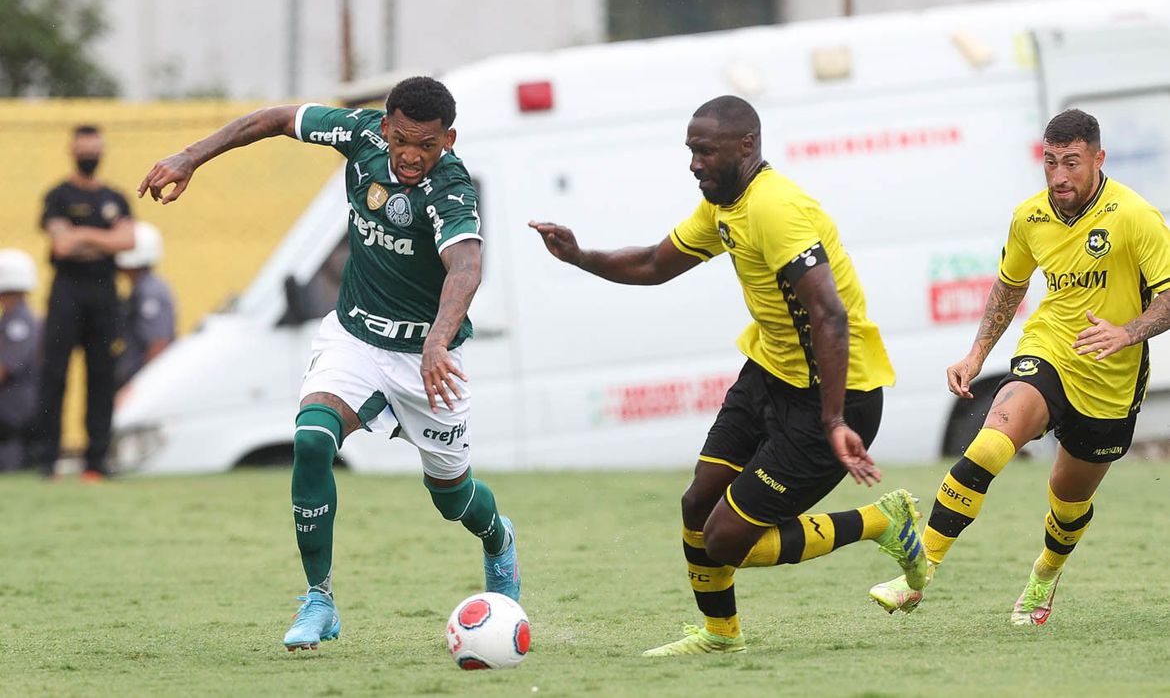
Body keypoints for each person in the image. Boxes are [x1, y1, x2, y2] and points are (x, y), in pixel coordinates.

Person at [530, 95, 925, 656]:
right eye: (691, 151)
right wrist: (580, 257)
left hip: (836, 395)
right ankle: (720, 636)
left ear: (747, 145)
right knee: (697, 503)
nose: (694, 164)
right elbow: (654, 264)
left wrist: (835, 418)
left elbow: (830, 314)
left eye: (705, 151)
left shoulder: (775, 208)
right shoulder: (723, 206)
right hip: (769, 373)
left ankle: (881, 522)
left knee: (724, 540)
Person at [138, 76, 520, 651]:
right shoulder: (358, 134)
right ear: (385, 127)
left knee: (453, 498)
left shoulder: (451, 188)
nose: (411, 156)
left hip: (425, 358)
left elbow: (465, 269)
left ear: (449, 140)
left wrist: (437, 342)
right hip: (355, 340)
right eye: (402, 141)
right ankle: (319, 599)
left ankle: (498, 540)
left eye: (427, 145)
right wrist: (191, 156)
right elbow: (273, 118)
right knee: (313, 440)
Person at [869, 109, 1170, 625]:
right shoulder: (1029, 217)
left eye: (1071, 162)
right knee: (989, 443)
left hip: (1110, 379)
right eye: (1050, 162)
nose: (1059, 175)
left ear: (1098, 158)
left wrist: (1126, 333)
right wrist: (976, 355)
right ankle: (919, 573)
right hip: (1048, 350)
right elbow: (1010, 287)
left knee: (1068, 501)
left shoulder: (1135, 215)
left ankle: (1044, 577)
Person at [30, 124, 135, 480]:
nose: (90, 155)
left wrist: (82, 234)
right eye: (84, 149)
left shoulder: (116, 198)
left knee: (102, 375)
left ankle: (97, 461)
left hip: (105, 291)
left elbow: (128, 241)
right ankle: (47, 460)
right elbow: (62, 246)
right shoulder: (58, 196)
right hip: (67, 291)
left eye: (95, 149)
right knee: (54, 374)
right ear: (72, 151)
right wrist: (105, 237)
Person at [114, 221, 176, 390]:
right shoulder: (141, 289)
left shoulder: (150, 292)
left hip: (140, 385)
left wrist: (141, 387)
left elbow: (158, 344)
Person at [0, 250, 43, 473]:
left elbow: (6, 366)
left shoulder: (19, 322)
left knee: (11, 467)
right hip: (18, 408)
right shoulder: (18, 318)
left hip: (14, 411)